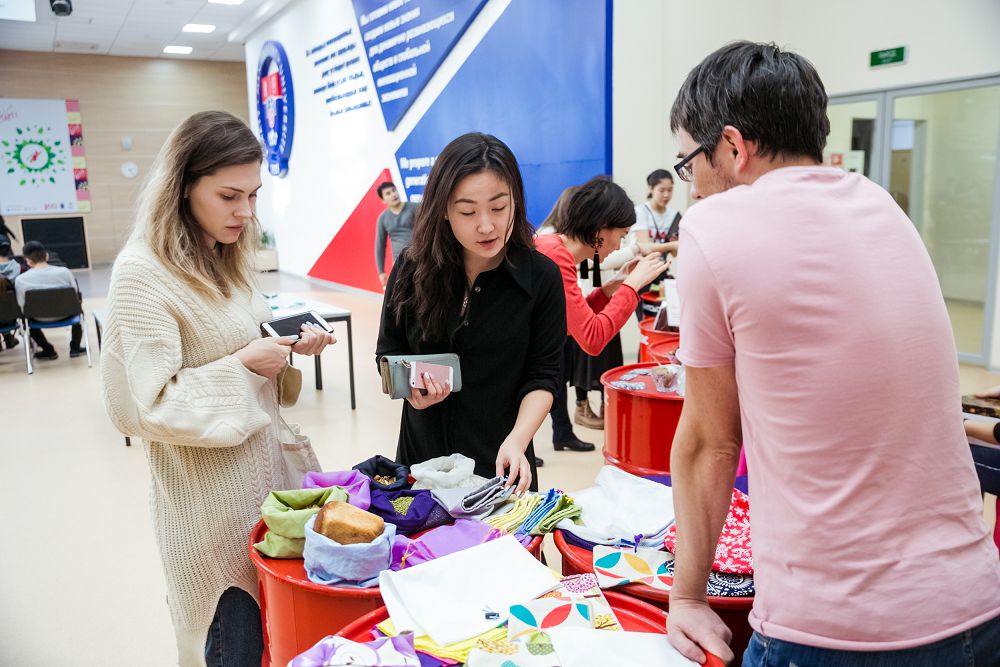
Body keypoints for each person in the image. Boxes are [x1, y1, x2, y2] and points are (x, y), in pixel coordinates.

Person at [665, 41, 1000, 666]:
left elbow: (712, 440)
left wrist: (687, 598)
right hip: (978, 608)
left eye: (689, 163)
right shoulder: (883, 205)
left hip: (836, 630)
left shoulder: (713, 227)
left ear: (733, 148)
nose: (692, 186)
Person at [100, 110, 335, 667]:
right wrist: (245, 367)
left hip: (264, 495)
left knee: (273, 641)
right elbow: (140, 407)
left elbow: (240, 340)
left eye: (253, 195)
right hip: (206, 518)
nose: (245, 212)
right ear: (183, 188)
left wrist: (282, 348)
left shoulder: (223, 256)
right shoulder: (142, 274)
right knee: (231, 642)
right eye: (230, 195)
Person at [376, 132, 565, 493]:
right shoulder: (411, 268)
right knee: (423, 550)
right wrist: (412, 389)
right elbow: (387, 352)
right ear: (444, 210)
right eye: (467, 211)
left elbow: (544, 376)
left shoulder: (540, 277)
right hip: (423, 463)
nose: (486, 225)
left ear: (516, 202)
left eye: (499, 207)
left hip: (501, 462)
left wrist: (518, 440)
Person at [535, 177, 665, 453]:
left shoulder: (553, 247)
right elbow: (592, 338)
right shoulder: (556, 259)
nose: (619, 247)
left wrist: (609, 290)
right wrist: (631, 288)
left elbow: (572, 316)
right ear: (599, 232)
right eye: (620, 236)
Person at [15, 240, 85, 360]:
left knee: (26, 321)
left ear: (28, 261)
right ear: (46, 256)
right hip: (67, 314)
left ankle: (48, 350)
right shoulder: (65, 272)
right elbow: (75, 295)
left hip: (38, 318)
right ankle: (75, 348)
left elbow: (21, 305)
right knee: (79, 312)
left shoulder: (21, 280)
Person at [375, 181, 418, 288]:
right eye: (388, 193)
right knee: (403, 294)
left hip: (418, 258)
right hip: (399, 262)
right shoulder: (383, 218)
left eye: (394, 191)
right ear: (383, 200)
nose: (393, 194)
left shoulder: (416, 208)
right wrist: (381, 271)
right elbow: (379, 246)